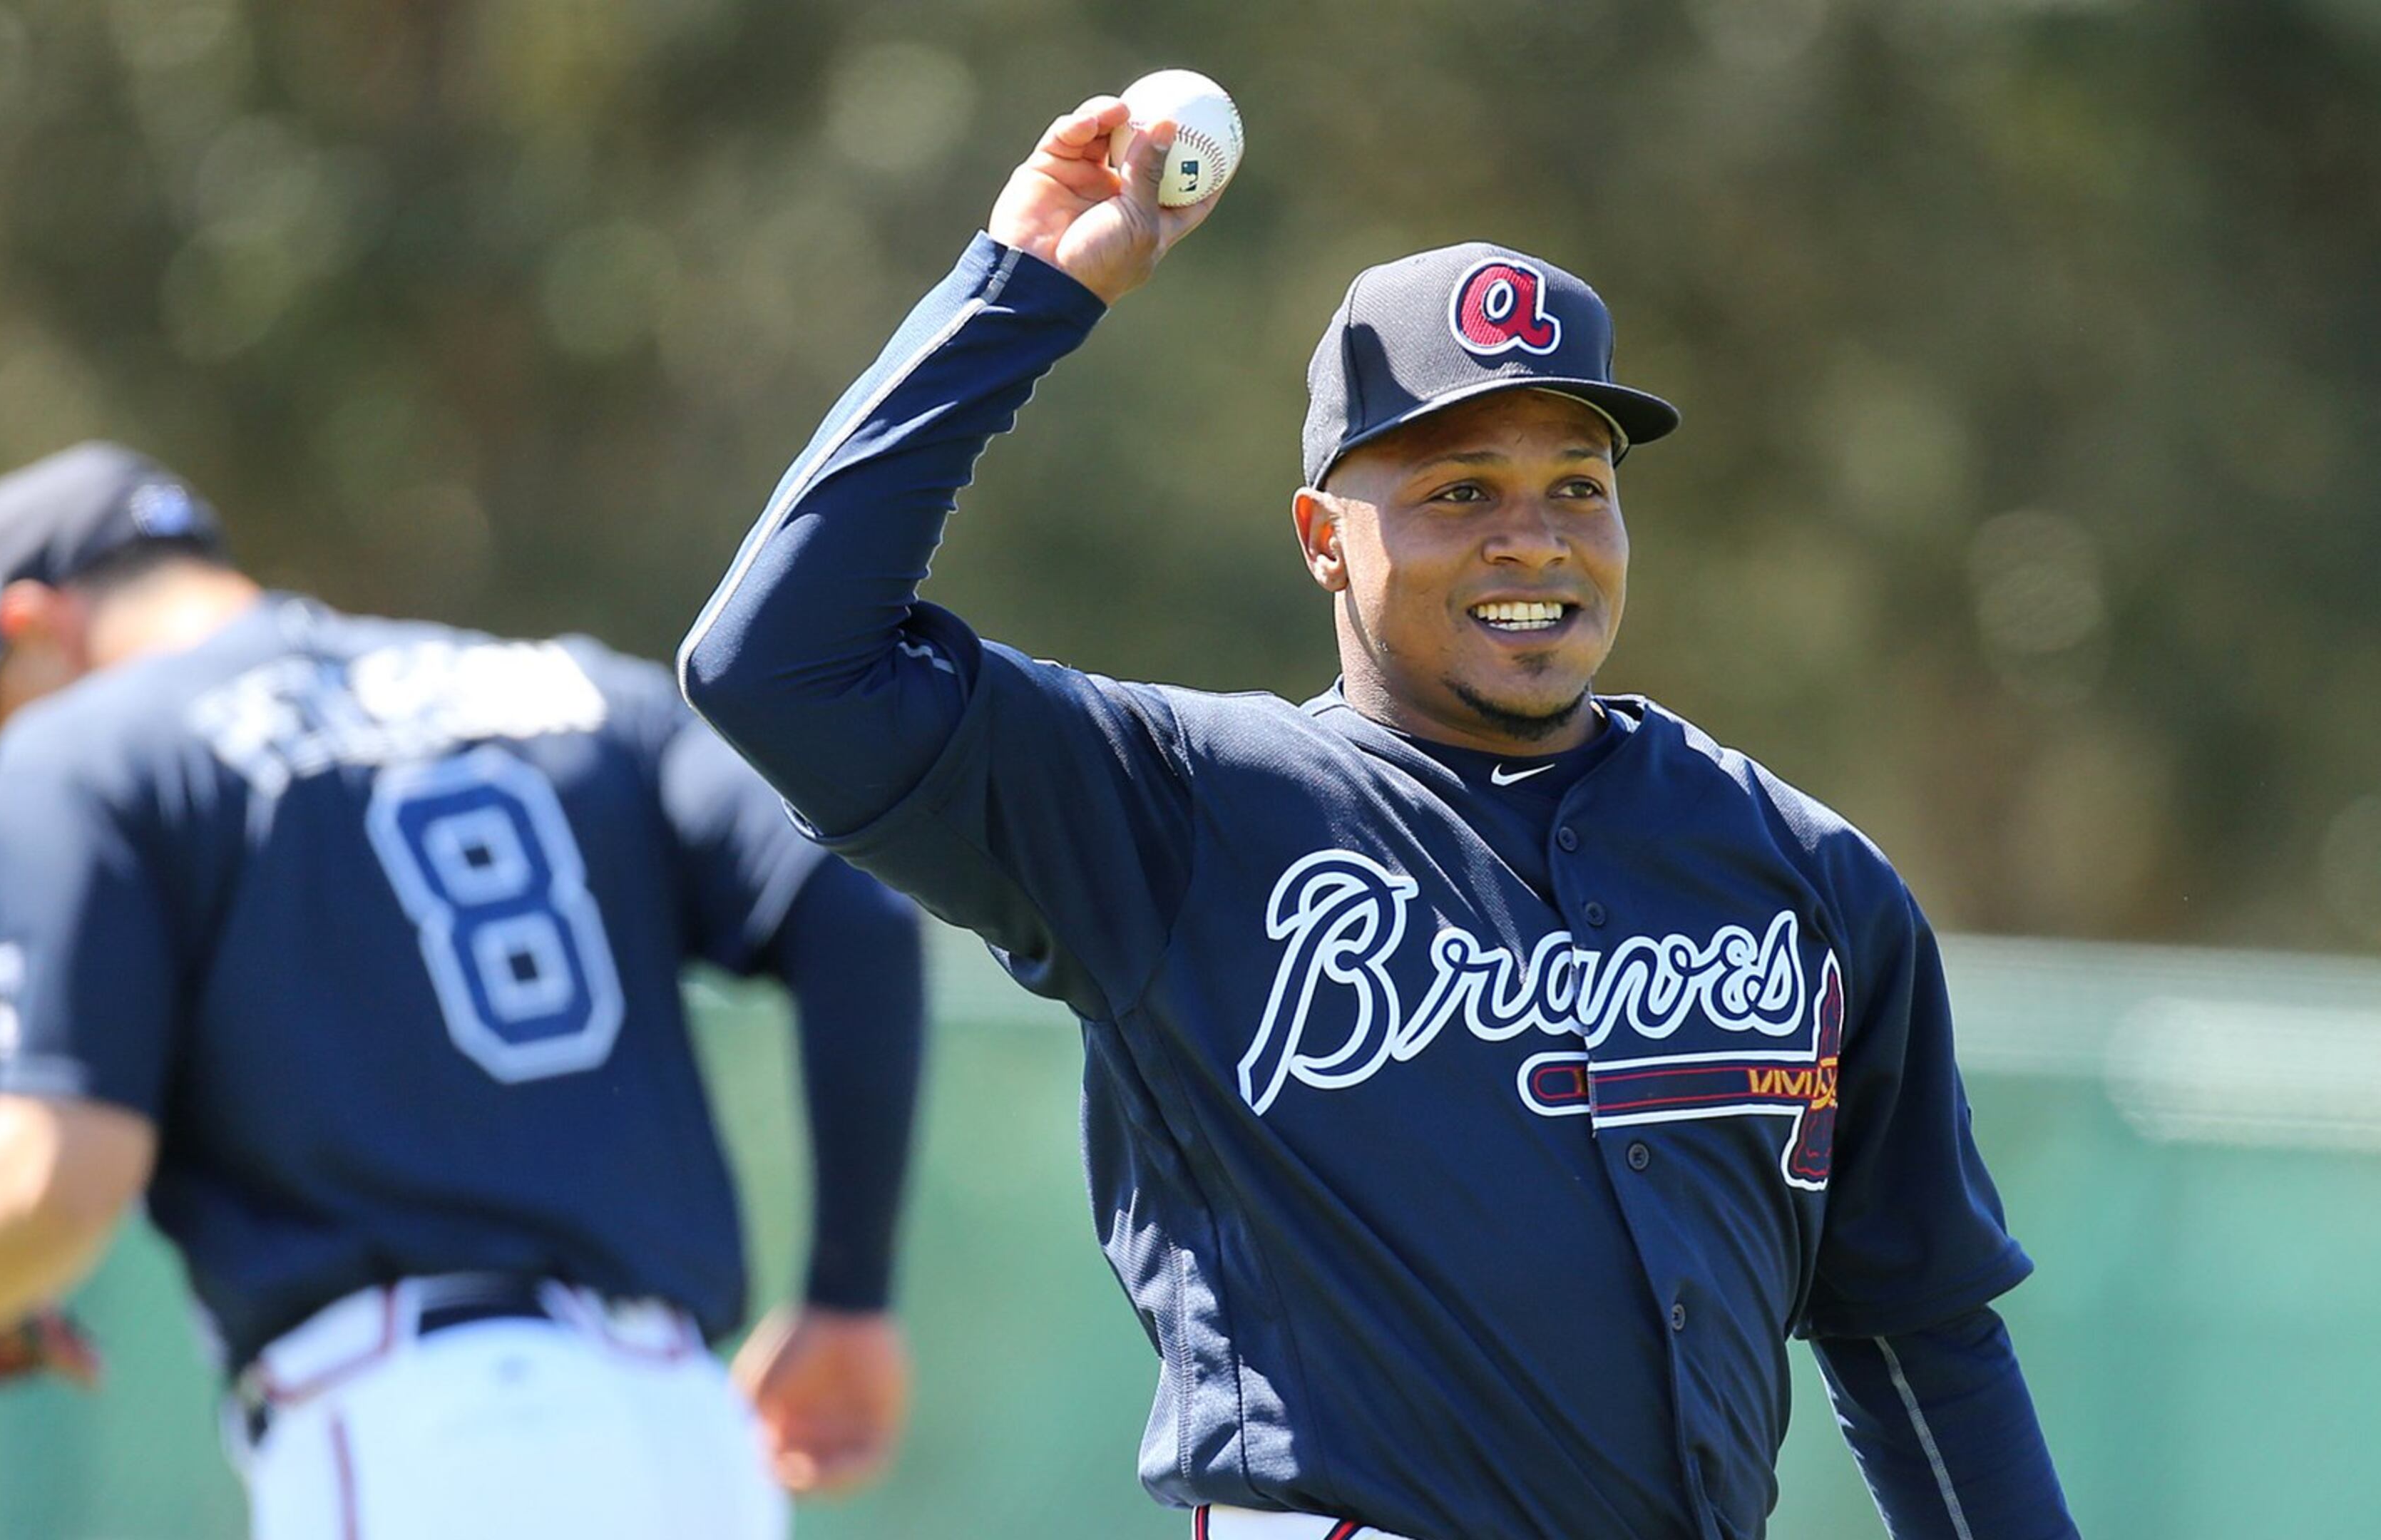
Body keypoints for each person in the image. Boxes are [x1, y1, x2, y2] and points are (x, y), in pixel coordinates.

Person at [680, 95, 2076, 1540]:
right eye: (1460, 487)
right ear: (1321, 541)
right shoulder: (1179, 809)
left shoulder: (1800, 873)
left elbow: (1921, 1334)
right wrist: (1021, 288)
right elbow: (776, 664)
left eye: (1575, 487)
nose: (1530, 536)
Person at [0, 442, 925, 1539]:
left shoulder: (85, 751)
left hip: (423, 1439)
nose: (11, 746)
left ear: (31, 624)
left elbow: (55, 1178)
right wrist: (848, 1296)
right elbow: (858, 909)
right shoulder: (578, 688)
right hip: (693, 1442)